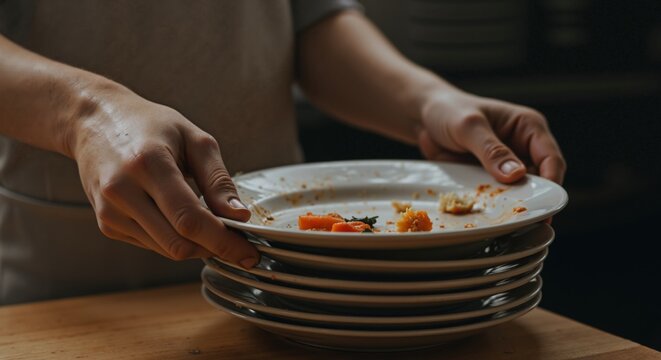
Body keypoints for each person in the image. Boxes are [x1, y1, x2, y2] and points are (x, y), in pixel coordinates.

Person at [0, 0, 566, 305]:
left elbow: (307, 20)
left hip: (290, 287)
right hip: (70, 297)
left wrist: (429, 103)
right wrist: (84, 112)